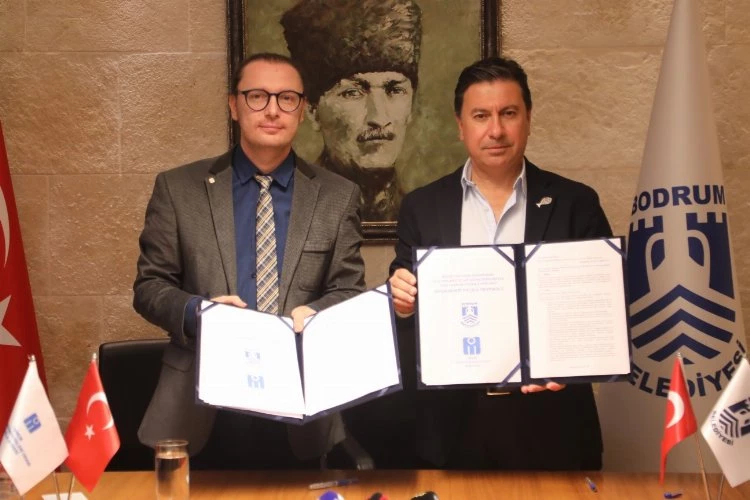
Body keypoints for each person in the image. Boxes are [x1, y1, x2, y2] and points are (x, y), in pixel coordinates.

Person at [133, 53, 366, 469]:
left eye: (287, 98)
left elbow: (349, 289)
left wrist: (316, 313)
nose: (273, 110)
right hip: (200, 405)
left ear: (303, 110)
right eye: (257, 96)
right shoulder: (178, 189)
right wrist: (200, 313)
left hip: (301, 406)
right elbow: (149, 287)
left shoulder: (338, 195)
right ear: (234, 105)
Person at [388, 56, 612, 470]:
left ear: (528, 119)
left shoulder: (576, 203)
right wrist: (401, 303)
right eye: (481, 116)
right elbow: (404, 310)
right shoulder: (422, 207)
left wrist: (574, 363)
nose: (496, 130)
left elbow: (602, 310)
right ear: (460, 125)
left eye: (508, 113)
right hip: (452, 427)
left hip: (554, 423)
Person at [281, 0, 422, 222]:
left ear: (411, 105)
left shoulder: (428, 216)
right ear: (312, 110)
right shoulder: (287, 216)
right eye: (353, 93)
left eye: (395, 90)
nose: (379, 118)